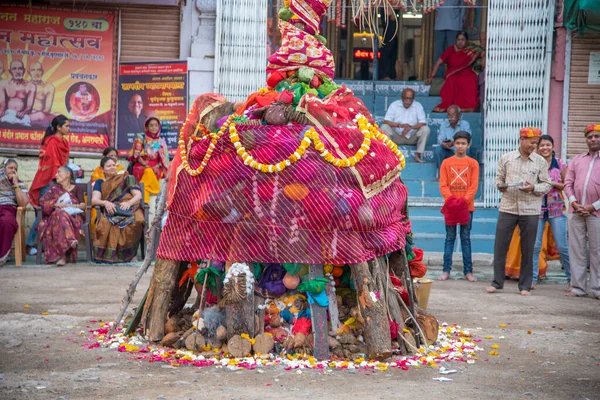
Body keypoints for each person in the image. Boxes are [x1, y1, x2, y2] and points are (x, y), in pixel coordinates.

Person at [487, 127, 552, 296]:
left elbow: (546, 185)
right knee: (500, 246)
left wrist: (532, 188)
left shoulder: (540, 162)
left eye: (536, 143)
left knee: (528, 248)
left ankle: (525, 286)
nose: (534, 146)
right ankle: (497, 282)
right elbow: (499, 180)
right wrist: (500, 186)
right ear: (521, 140)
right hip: (508, 207)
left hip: (530, 209)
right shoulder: (506, 158)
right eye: (532, 142)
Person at [564, 124, 600, 298]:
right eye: (590, 136)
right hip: (575, 211)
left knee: (597, 251)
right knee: (576, 250)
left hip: (597, 213)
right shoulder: (577, 160)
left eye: (596, 136)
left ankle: (597, 289)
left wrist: (593, 206)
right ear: (586, 139)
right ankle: (578, 288)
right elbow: (568, 184)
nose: (593, 139)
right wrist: (575, 203)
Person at [26, 115, 71, 254]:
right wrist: (59, 178)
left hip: (58, 179)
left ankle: (47, 245)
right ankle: (29, 244)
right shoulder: (52, 141)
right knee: (44, 212)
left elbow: (64, 164)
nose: (69, 128)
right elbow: (52, 164)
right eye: (66, 126)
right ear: (58, 127)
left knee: (54, 213)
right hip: (49, 180)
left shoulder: (63, 142)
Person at [438, 131, 479, 282]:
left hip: (466, 207)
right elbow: (443, 185)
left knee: (465, 237)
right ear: (454, 144)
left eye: (463, 143)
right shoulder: (446, 163)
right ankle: (446, 270)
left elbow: (473, 186)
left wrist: (463, 201)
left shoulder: (473, 163)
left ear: (468, 145)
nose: (460, 146)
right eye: (458, 143)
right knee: (450, 237)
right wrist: (452, 200)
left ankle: (468, 271)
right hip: (450, 206)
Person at [531, 135, 570, 290]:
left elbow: (566, 185)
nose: (545, 148)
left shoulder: (560, 164)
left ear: (553, 147)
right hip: (537, 209)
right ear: (538, 147)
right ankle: (532, 279)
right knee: (535, 246)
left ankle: (572, 280)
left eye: (548, 145)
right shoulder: (533, 163)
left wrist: (551, 183)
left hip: (556, 210)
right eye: (542, 145)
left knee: (563, 247)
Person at [91, 157, 144, 263]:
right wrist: (105, 203)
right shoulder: (99, 182)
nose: (112, 168)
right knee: (105, 222)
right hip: (111, 210)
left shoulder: (126, 178)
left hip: (130, 208)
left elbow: (138, 195)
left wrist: (129, 203)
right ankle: (111, 256)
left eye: (114, 165)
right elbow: (94, 200)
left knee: (137, 220)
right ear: (102, 169)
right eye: (109, 166)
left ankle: (131, 255)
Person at [37, 166, 85, 266]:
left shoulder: (77, 188)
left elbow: (83, 205)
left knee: (60, 214)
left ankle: (62, 257)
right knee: (58, 214)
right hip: (56, 218)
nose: (56, 175)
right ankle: (70, 240)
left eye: (59, 172)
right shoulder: (54, 189)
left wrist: (68, 205)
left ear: (67, 174)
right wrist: (55, 204)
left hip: (73, 217)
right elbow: (42, 203)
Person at [426, 31, 485, 113]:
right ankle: (452, 106)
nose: (460, 42)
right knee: (452, 80)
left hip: (467, 72)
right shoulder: (450, 49)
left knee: (471, 79)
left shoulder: (471, 50)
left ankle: (469, 106)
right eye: (458, 40)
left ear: (466, 41)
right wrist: (432, 77)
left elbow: (483, 53)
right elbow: (438, 62)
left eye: (463, 40)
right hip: (452, 73)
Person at [379, 88, 431, 163]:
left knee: (426, 129)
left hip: (412, 137)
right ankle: (388, 155)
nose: (408, 101)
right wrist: (399, 125)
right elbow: (386, 121)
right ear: (402, 98)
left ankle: (418, 155)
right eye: (406, 98)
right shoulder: (394, 105)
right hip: (396, 136)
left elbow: (423, 123)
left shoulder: (418, 106)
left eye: (410, 99)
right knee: (384, 127)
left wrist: (410, 127)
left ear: (413, 99)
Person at [128, 117, 169, 201]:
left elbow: (165, 159)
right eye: (151, 125)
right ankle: (158, 192)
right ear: (146, 127)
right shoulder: (141, 137)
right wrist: (147, 166)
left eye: (156, 125)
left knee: (145, 184)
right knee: (148, 171)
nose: (154, 127)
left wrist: (157, 166)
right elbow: (137, 155)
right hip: (142, 165)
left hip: (156, 167)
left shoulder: (161, 141)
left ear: (159, 127)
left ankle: (144, 203)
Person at [0, 159, 29, 266]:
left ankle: (1, 256)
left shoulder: (19, 184)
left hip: (8, 209)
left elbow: (23, 204)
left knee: (7, 222)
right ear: (3, 169)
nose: (13, 171)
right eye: (10, 168)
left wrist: (15, 184)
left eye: (15, 169)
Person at [433, 0, 465, 78]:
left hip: (454, 25)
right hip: (440, 25)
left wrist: (460, 25)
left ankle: (452, 75)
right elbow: (432, 5)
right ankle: (438, 76)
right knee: (439, 53)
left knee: (453, 53)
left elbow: (463, 8)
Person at [434, 105, 472, 169]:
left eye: (453, 114)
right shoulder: (444, 124)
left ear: (459, 116)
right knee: (438, 150)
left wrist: (454, 143)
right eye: (449, 114)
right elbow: (440, 139)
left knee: (467, 149)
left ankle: (463, 173)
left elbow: (469, 141)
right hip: (449, 151)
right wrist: (443, 143)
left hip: (460, 151)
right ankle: (441, 175)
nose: (451, 117)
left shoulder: (465, 124)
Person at [0, 60, 36, 126]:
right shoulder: (3, 84)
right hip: (8, 113)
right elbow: (2, 104)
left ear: (24, 70)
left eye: (20, 68)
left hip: (22, 115)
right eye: (14, 69)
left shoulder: (30, 86)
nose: (17, 71)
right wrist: (1, 111)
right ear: (10, 71)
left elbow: (29, 106)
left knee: (40, 116)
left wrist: (24, 112)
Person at [28, 62, 55, 126]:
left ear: (42, 72)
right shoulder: (25, 86)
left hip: (42, 114)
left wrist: (40, 115)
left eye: (39, 70)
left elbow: (47, 108)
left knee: (59, 117)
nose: (36, 73)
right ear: (28, 72)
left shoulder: (49, 87)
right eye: (33, 70)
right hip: (27, 115)